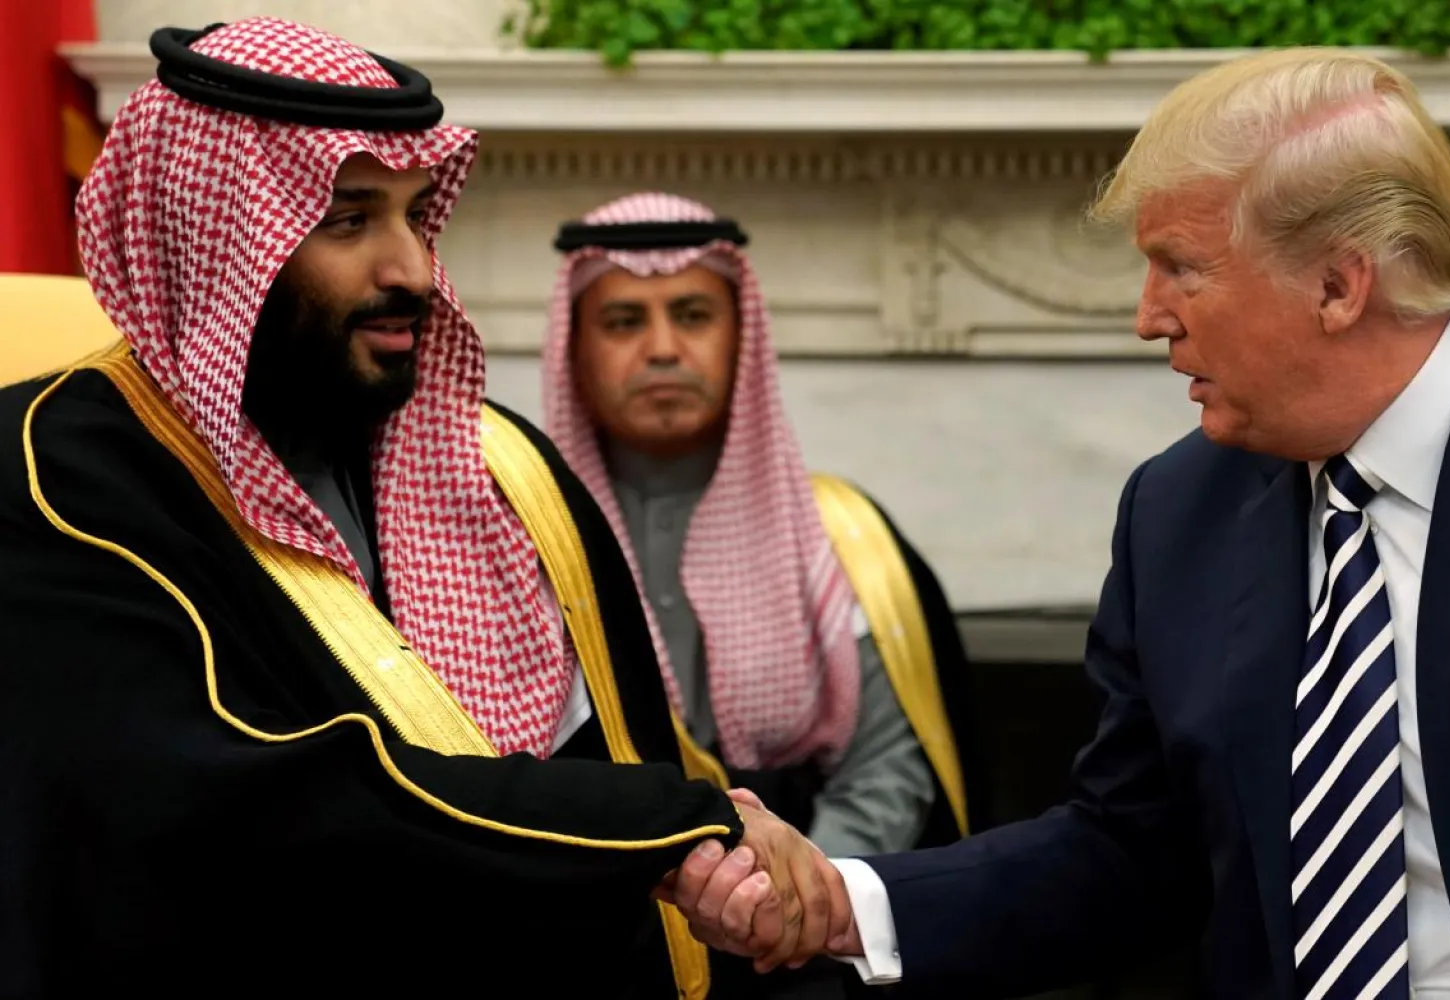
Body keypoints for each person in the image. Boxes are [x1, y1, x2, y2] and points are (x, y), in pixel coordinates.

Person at [0, 18, 839, 995]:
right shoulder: (59, 476)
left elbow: (618, 749)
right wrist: (667, 823)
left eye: (414, 212)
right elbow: (258, 799)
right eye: (350, 219)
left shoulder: (503, 469)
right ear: (215, 239)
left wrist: (729, 872)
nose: (410, 270)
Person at [674, 46, 1450, 1000]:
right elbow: (1134, 851)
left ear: (1337, 287)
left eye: (1181, 269)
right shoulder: (1181, 511)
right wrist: (840, 901)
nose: (1149, 318)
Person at [542, 193, 985, 996]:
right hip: (592, 930)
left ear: (741, 338)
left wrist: (791, 903)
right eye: (623, 322)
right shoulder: (516, 541)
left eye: (692, 314)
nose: (663, 348)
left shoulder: (845, 538)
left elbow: (888, 767)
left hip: (806, 938)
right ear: (572, 350)